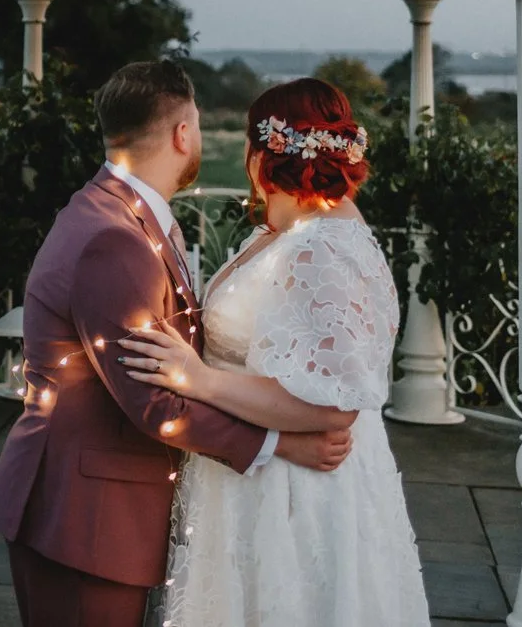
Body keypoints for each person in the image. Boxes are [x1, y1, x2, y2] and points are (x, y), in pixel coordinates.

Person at [0, 61, 356, 626]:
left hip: (88, 508)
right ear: (183, 133)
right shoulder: (115, 237)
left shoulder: (117, 212)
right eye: (198, 124)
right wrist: (280, 443)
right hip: (85, 520)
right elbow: (156, 404)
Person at [120, 76, 429, 625]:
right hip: (251, 476)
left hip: (293, 500)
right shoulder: (286, 234)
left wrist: (198, 380)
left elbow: (335, 406)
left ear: (261, 154)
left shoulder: (322, 251)